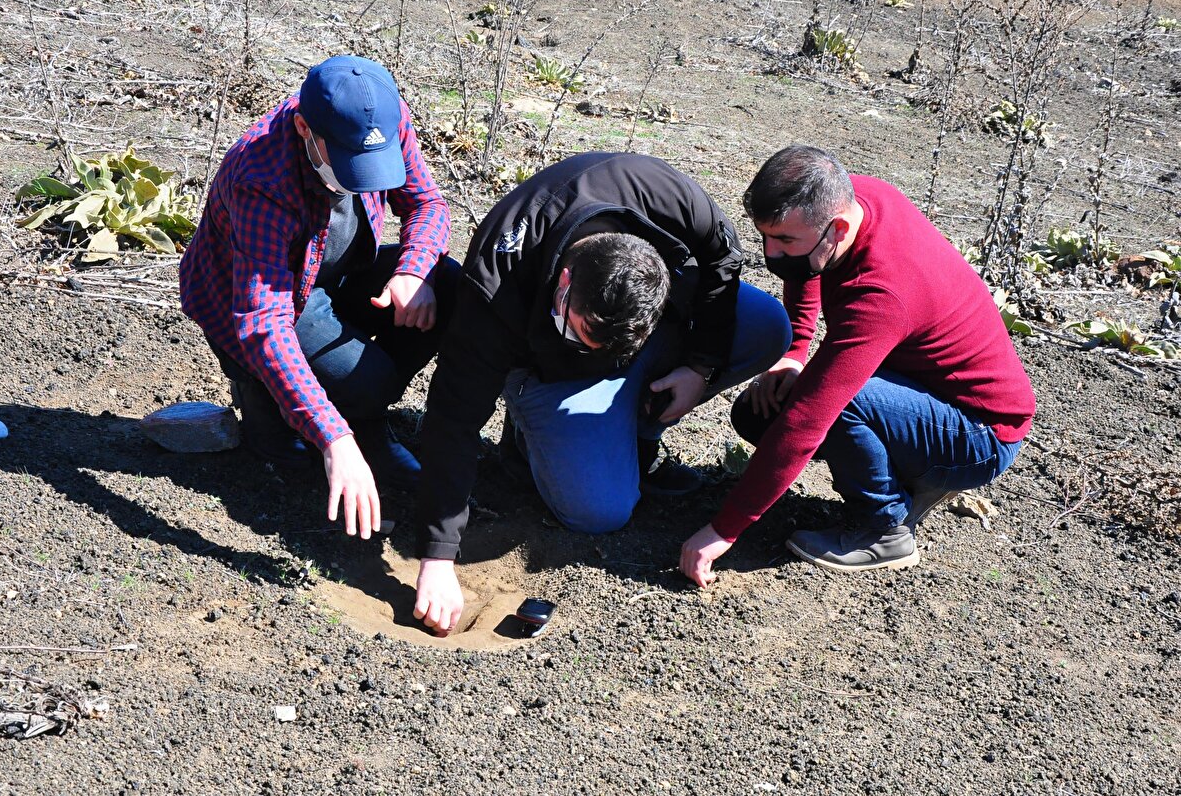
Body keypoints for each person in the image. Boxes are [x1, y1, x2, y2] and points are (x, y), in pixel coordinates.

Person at [410, 152, 793, 635]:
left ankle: (632, 433)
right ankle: (530, 441)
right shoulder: (498, 280)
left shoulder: (664, 194)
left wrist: (700, 365)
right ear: (563, 283)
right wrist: (438, 557)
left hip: (643, 335)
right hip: (548, 372)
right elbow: (453, 418)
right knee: (599, 513)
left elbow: (722, 257)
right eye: (580, 332)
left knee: (765, 325)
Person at [680, 144, 1035, 584]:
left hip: (980, 434)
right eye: (766, 237)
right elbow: (806, 271)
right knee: (760, 414)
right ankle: (910, 473)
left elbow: (810, 419)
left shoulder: (882, 297)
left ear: (837, 228)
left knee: (832, 404)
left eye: (785, 241)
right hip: (926, 388)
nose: (772, 253)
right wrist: (795, 351)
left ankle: (883, 529)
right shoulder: (859, 199)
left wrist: (723, 531)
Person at [179, 55, 456, 539]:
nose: (361, 179)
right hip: (257, 299)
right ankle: (282, 411)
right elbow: (263, 322)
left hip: (338, 268)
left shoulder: (381, 117)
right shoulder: (260, 176)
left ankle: (360, 419)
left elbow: (427, 203)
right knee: (301, 435)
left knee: (447, 284)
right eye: (349, 165)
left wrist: (414, 270)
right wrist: (333, 440)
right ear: (306, 129)